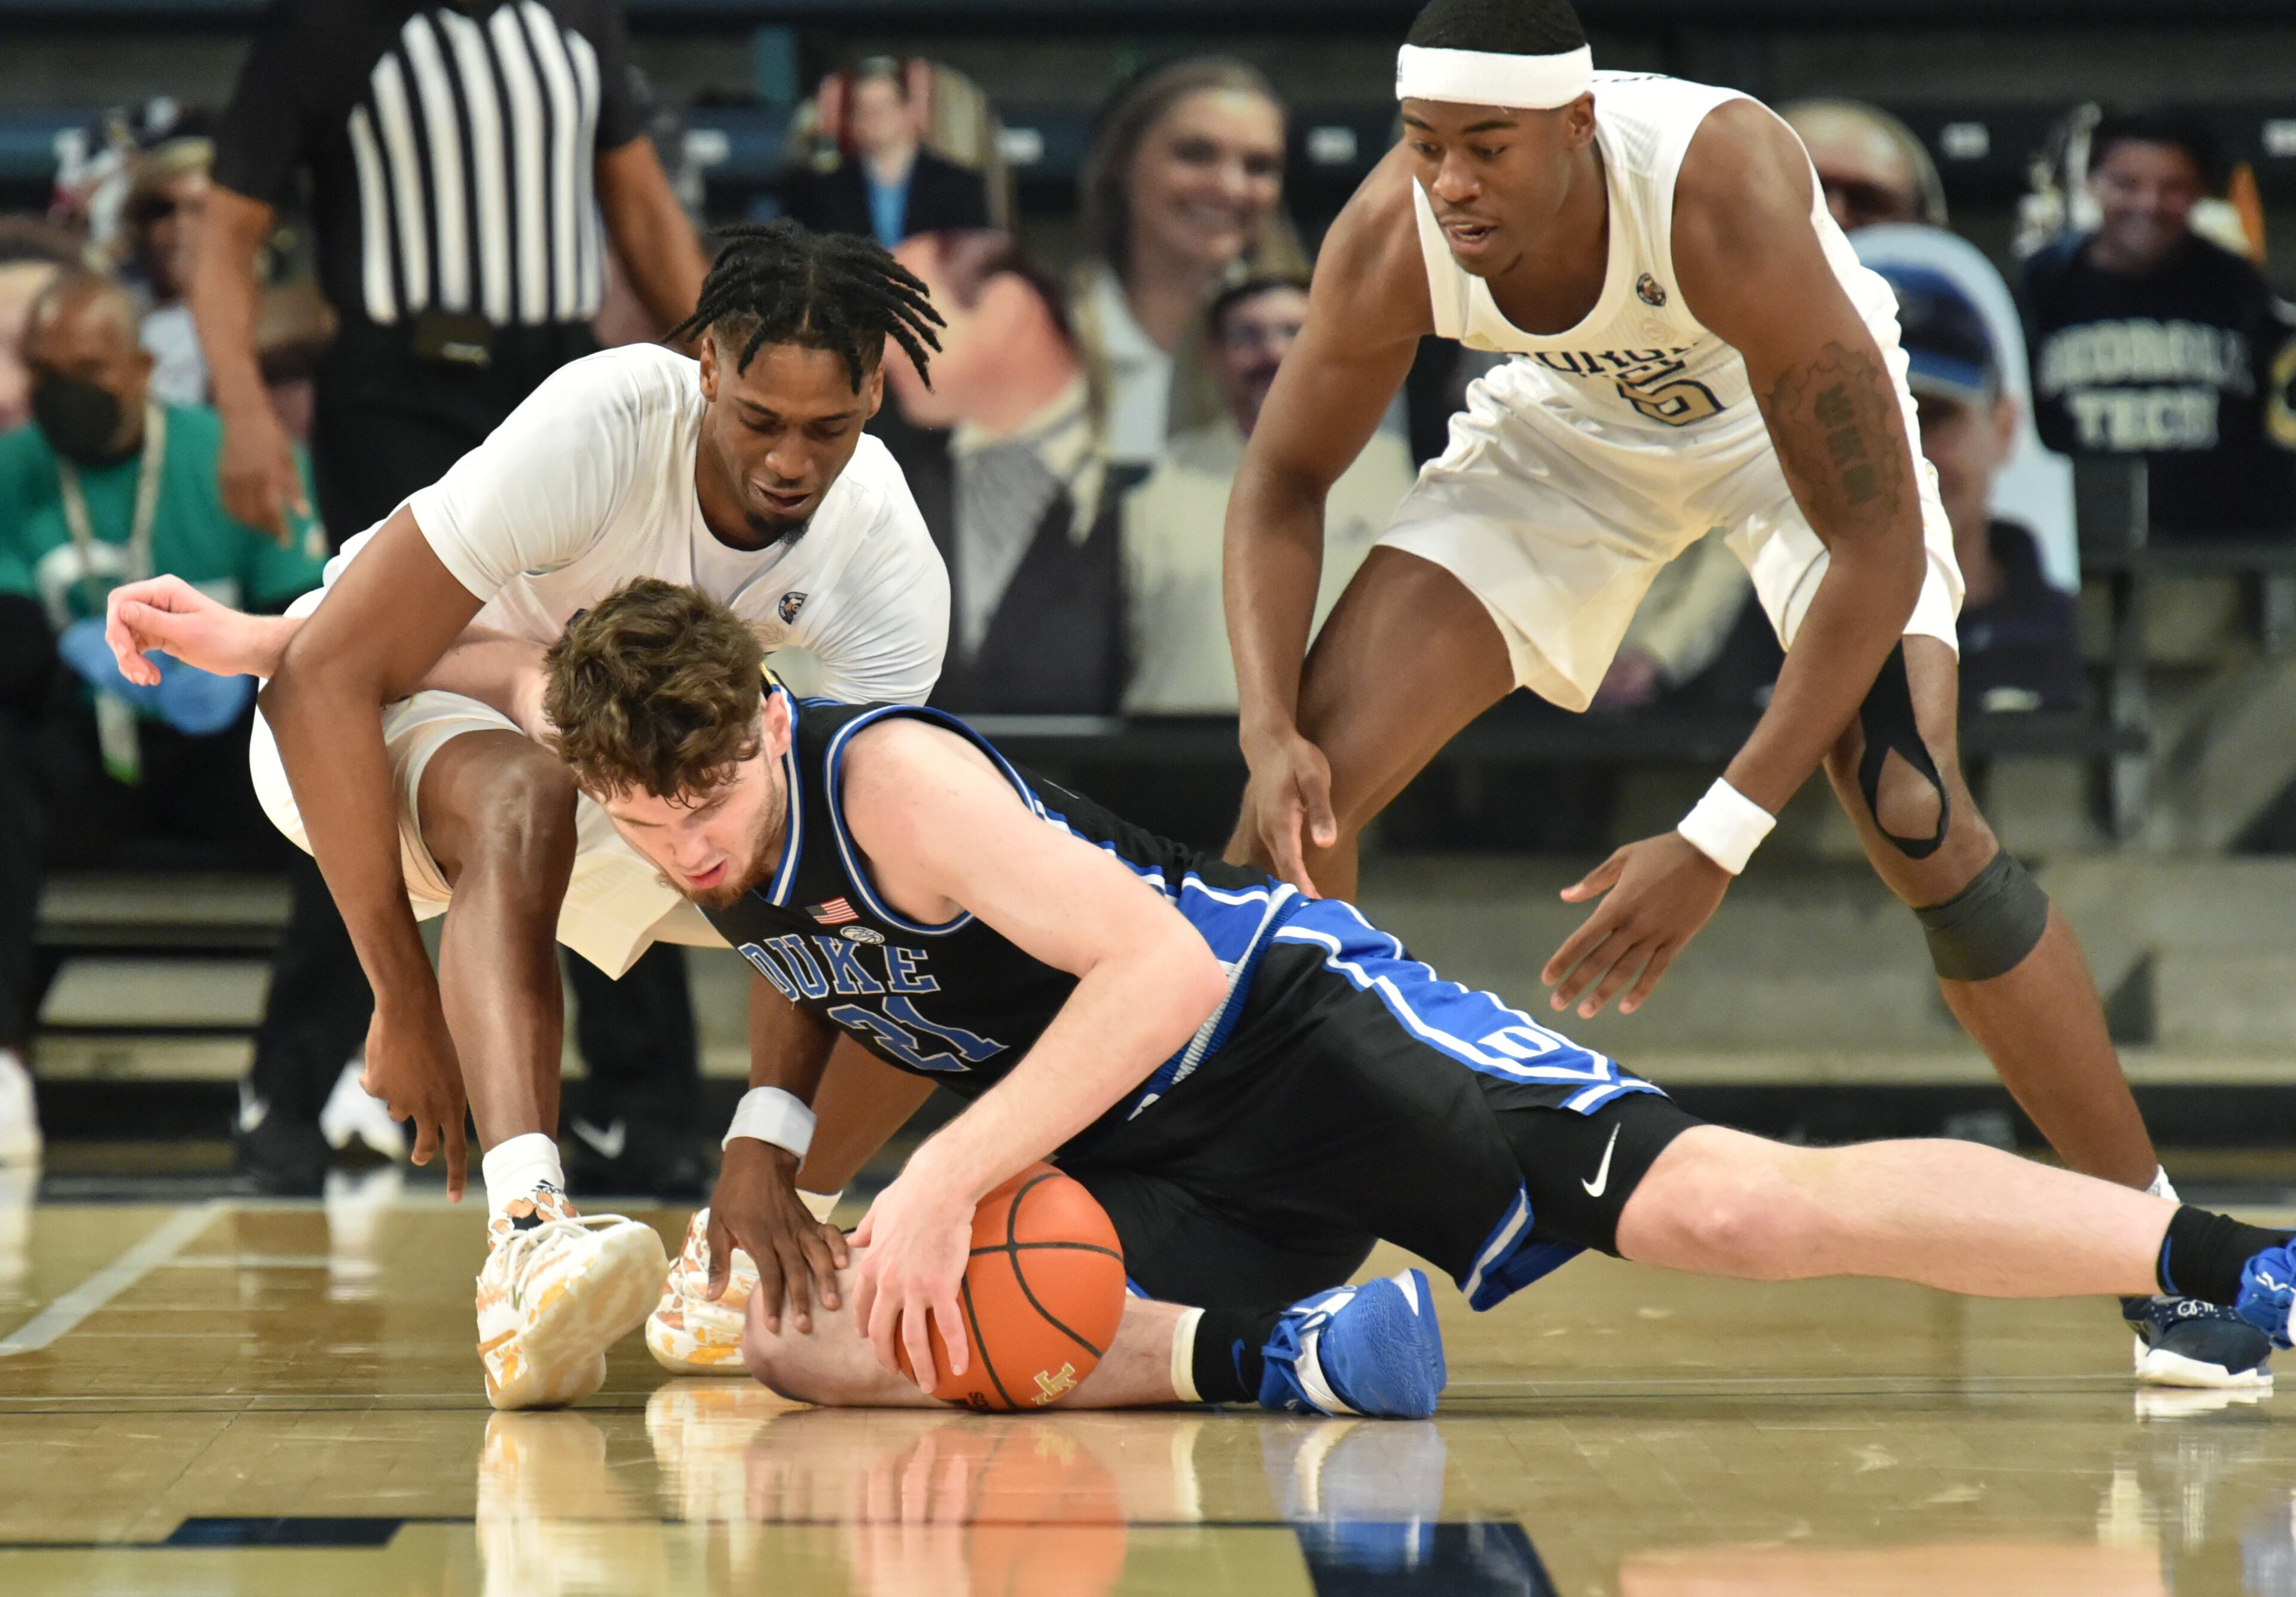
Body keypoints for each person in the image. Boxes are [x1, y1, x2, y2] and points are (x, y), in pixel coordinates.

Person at [482, 578, 2296, 1418]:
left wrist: (946, 1169)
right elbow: (455, 637)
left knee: (1734, 1209)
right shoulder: (638, 760)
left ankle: (2228, 1260)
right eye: (646, 822)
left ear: (765, 721)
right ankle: (1285, 1353)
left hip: (1282, 1029)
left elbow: (1159, 967)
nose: (689, 849)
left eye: (708, 804)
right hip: (1130, 1138)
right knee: (809, 1337)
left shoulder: (891, 781)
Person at [1217, 0, 2267, 1385]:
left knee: (1910, 808)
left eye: (1486, 146)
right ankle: (1260, 1228)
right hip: (1567, 435)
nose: (1450, 181)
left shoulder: (1718, 188)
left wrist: (1714, 836)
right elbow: (1283, 478)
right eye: (1424, 144)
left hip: (1790, 445)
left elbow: (1875, 549)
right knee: (1294, 812)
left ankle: (2158, 1249)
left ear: (1576, 127)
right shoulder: (1388, 236)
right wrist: (1266, 728)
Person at [104, 222, 952, 1409]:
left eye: (828, 429)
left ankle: (751, 1251)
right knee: (526, 781)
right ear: (709, 365)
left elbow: (837, 868)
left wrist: (768, 1142)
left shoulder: (887, 557)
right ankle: (527, 1238)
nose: (789, 461)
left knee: (926, 897)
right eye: (762, 419)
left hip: (616, 767)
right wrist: (401, 995)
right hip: (373, 731)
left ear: (874, 393)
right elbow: (325, 675)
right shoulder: (604, 424)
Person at [193, 0, 719, 1193]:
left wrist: (719, 388)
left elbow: (643, 210)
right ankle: (295, 1082)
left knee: (616, 708)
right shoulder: (331, 26)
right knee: (363, 707)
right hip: (399, 387)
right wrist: (242, 408)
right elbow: (227, 231)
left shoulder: (577, 17)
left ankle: (646, 1108)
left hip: (558, 384)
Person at [0, 273, 329, 1166]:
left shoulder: (235, 456)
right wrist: (71, 653)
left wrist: (231, 672)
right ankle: (6, 1059)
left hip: (222, 745)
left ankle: (306, 1079)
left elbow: (309, 624)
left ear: (143, 368)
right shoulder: (14, 467)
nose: (66, 388)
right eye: (47, 370)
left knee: (347, 795)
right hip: (83, 748)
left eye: (89, 368)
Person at [1122, 275, 1416, 714]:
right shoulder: (1158, 486)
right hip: (1182, 741)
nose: (1273, 353)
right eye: (1247, 337)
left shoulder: (1396, 475)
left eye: (1295, 333)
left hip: (1349, 743)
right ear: (1213, 356)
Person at [2022, 107, 2296, 541]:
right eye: (2126, 184)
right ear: (2092, 184)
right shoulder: (2042, 287)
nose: (2148, 204)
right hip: (2069, 547)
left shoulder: (2238, 289)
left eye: (2173, 188)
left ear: (2200, 192)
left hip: (2213, 551)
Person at [880, 230, 1119, 714]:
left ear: (1006, 311)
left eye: (902, 320)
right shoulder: (890, 480)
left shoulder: (1148, 473)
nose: (883, 350)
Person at [1879, 262, 2083, 716]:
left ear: (2004, 428)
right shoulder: (1743, 639)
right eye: (1869, 418)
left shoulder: (2079, 637)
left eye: (1934, 415)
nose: (1906, 453)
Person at [1074, 59, 1296, 471]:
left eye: (1259, 166)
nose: (1231, 187)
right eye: (1197, 155)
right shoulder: (1037, 340)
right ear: (1122, 161)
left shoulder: (1328, 351)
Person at [783, 58, 991, 251]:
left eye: (883, 106)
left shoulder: (959, 186)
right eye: (863, 108)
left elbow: (974, 257)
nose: (873, 117)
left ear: (909, 111)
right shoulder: (823, 192)